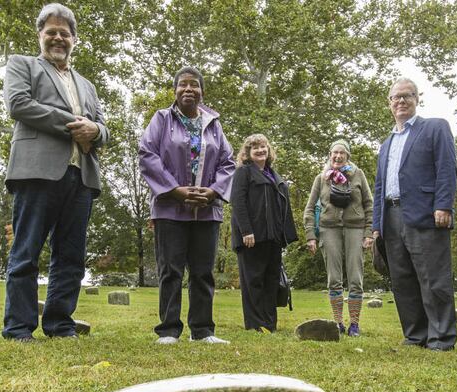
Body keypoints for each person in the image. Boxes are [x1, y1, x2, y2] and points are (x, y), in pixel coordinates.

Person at [1, 3, 109, 342]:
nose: (58, 38)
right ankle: (18, 328)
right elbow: (18, 104)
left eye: (65, 33)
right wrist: (73, 126)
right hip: (37, 172)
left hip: (82, 176)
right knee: (26, 252)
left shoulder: (87, 85)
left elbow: (103, 128)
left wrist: (95, 130)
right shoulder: (23, 65)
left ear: (74, 39)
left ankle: (60, 324)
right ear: (40, 35)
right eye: (52, 32)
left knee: (72, 257)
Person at [138, 66, 235, 345]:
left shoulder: (213, 124)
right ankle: (168, 330)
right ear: (175, 91)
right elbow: (147, 154)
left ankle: (203, 331)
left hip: (207, 210)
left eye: (194, 85)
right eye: (183, 85)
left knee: (203, 271)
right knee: (171, 270)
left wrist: (214, 192)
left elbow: (228, 162)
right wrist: (175, 190)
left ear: (202, 92)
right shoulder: (161, 120)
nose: (188, 89)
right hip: (170, 208)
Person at [372, 78, 457, 351]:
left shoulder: (435, 127)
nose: (401, 101)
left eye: (407, 96)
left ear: (417, 98)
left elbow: (447, 168)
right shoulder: (386, 143)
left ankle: (441, 338)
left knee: (433, 279)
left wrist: (443, 205)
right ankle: (415, 335)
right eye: (395, 97)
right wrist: (377, 225)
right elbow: (379, 185)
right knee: (403, 280)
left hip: (426, 215)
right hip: (392, 217)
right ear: (389, 104)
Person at [303, 140, 374, 337]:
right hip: (328, 229)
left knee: (355, 277)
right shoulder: (321, 178)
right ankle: (338, 323)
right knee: (334, 278)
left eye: (342, 153)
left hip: (355, 229)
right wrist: (311, 235)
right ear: (329, 155)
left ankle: (354, 324)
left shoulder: (358, 175)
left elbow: (369, 204)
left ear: (347, 156)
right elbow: (309, 208)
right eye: (335, 152)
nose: (338, 156)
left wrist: (369, 232)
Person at [231, 134, 298, 332]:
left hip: (273, 237)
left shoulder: (273, 174)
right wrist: (246, 231)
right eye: (256, 148)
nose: (260, 150)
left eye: (263, 147)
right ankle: (254, 324)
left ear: (268, 150)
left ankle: (270, 324)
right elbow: (238, 203)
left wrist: (284, 235)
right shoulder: (244, 172)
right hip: (252, 237)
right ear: (248, 153)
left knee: (271, 281)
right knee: (253, 281)